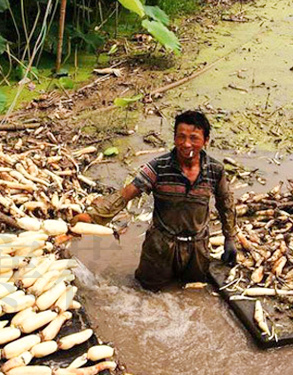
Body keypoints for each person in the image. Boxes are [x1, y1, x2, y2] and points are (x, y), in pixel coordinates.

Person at [73, 110, 238, 289]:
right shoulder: (158, 167)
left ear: (206, 141)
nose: (186, 144)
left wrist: (229, 238)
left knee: (194, 289)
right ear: (174, 138)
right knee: (146, 291)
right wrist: (93, 218)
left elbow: (225, 204)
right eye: (181, 137)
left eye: (194, 138)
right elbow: (127, 193)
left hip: (197, 248)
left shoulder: (215, 170)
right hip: (161, 247)